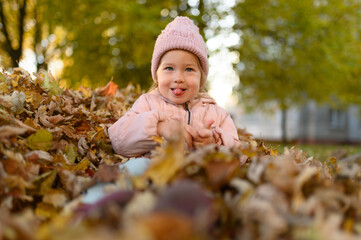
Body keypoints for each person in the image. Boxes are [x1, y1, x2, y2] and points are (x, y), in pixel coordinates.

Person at [107, 16, 239, 175]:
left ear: (201, 77)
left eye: (189, 69)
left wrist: (213, 142)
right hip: (151, 175)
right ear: (157, 75)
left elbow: (239, 154)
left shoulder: (216, 113)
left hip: (195, 179)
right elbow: (119, 140)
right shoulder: (147, 103)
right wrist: (159, 128)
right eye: (169, 68)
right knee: (136, 167)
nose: (179, 78)